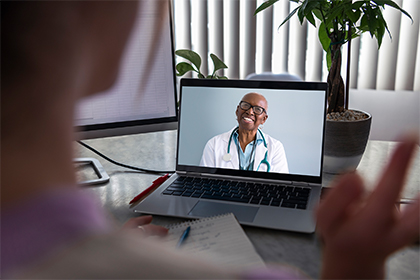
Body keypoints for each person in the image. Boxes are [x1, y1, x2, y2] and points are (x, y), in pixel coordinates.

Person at [1, 1, 419, 279]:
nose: (250, 113)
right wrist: (354, 268)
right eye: (244, 107)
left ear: (266, 116)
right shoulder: (217, 144)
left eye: (258, 110)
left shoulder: (277, 150)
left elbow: (291, 179)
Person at [200, 92, 289, 173]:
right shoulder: (214, 144)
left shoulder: (276, 148)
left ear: (264, 119)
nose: (250, 112)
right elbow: (205, 182)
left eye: (257, 109)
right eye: (246, 105)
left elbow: (280, 186)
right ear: (237, 111)